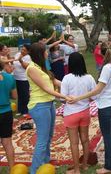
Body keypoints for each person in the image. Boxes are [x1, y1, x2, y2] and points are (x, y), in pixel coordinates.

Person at [68, 41, 111, 174]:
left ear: (101, 53)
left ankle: (109, 167)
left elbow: (97, 90)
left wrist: (78, 98)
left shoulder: (107, 68)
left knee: (108, 135)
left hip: (106, 106)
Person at [26, 43, 71, 174]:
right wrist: (64, 96)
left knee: (49, 136)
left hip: (49, 104)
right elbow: (46, 89)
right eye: (45, 51)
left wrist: (74, 84)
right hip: (39, 106)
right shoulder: (32, 68)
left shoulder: (42, 67)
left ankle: (45, 164)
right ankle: (34, 170)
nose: (47, 53)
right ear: (40, 54)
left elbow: (55, 82)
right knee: (42, 139)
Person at [61, 52, 96, 174]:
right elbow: (94, 96)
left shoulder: (67, 78)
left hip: (71, 114)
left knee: (74, 143)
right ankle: (85, 165)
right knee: (85, 140)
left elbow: (62, 98)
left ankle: (76, 169)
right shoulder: (89, 78)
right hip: (85, 112)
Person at [0, 61, 17, 170]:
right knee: (7, 142)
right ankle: (12, 169)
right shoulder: (10, 77)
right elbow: (14, 96)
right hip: (6, 112)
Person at [13, 44, 31, 116]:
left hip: (24, 78)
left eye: (24, 50)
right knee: (19, 95)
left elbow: (26, 67)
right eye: (22, 49)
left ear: (28, 51)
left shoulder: (28, 57)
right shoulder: (17, 54)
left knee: (25, 95)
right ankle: (20, 110)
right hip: (16, 77)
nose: (22, 51)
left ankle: (26, 110)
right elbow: (13, 62)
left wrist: (21, 60)